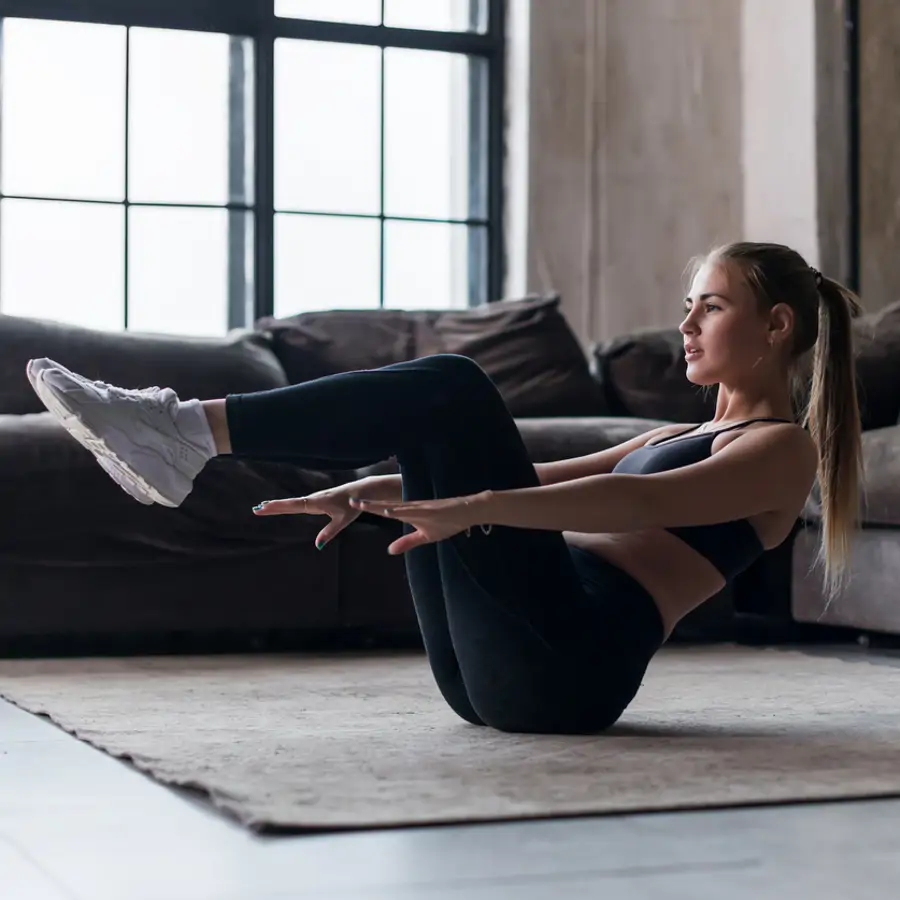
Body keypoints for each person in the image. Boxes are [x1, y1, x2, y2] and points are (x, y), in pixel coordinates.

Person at [26, 241, 862, 735]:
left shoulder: (782, 451)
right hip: (496, 676)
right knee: (442, 414)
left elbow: (640, 505)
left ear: (777, 325)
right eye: (688, 306)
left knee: (455, 385)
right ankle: (186, 436)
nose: (684, 326)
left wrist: (476, 509)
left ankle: (184, 430)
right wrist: (372, 489)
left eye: (708, 308)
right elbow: (521, 477)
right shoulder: (676, 434)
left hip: (570, 672)